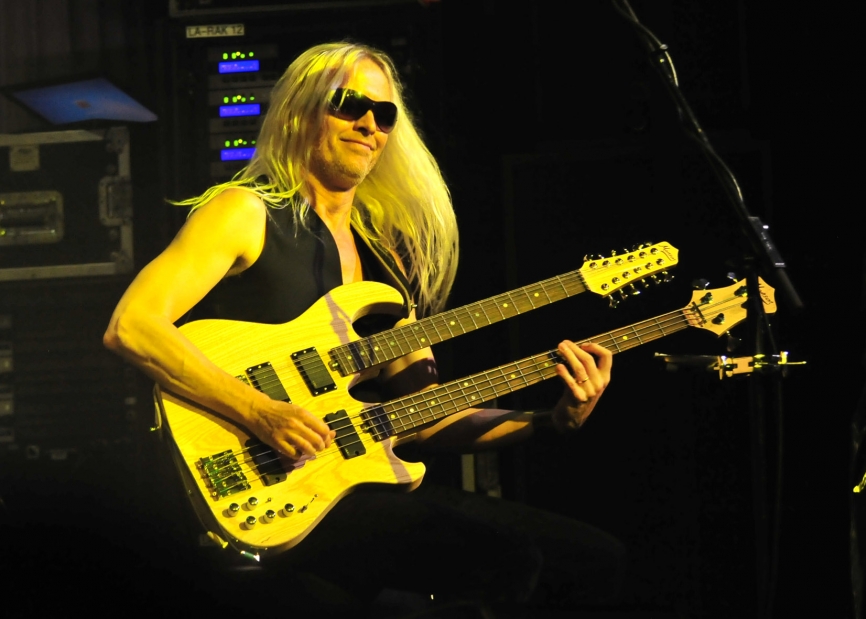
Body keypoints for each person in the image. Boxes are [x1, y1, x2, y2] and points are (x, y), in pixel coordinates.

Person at [104, 42, 624, 614]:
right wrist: (260, 412)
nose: (370, 124)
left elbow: (424, 419)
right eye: (350, 105)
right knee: (506, 559)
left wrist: (550, 419)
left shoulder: (384, 264)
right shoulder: (245, 213)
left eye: (385, 113)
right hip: (260, 487)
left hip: (352, 492)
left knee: (591, 558)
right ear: (301, 111)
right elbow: (133, 325)